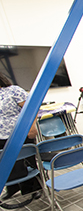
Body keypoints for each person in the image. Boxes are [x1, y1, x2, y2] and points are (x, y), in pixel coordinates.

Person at [0, 71, 41, 202]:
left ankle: (34, 188)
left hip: (20, 134)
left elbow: (32, 108)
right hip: (1, 137)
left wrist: (32, 126)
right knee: (6, 164)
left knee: (27, 161)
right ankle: (12, 188)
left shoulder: (13, 91)